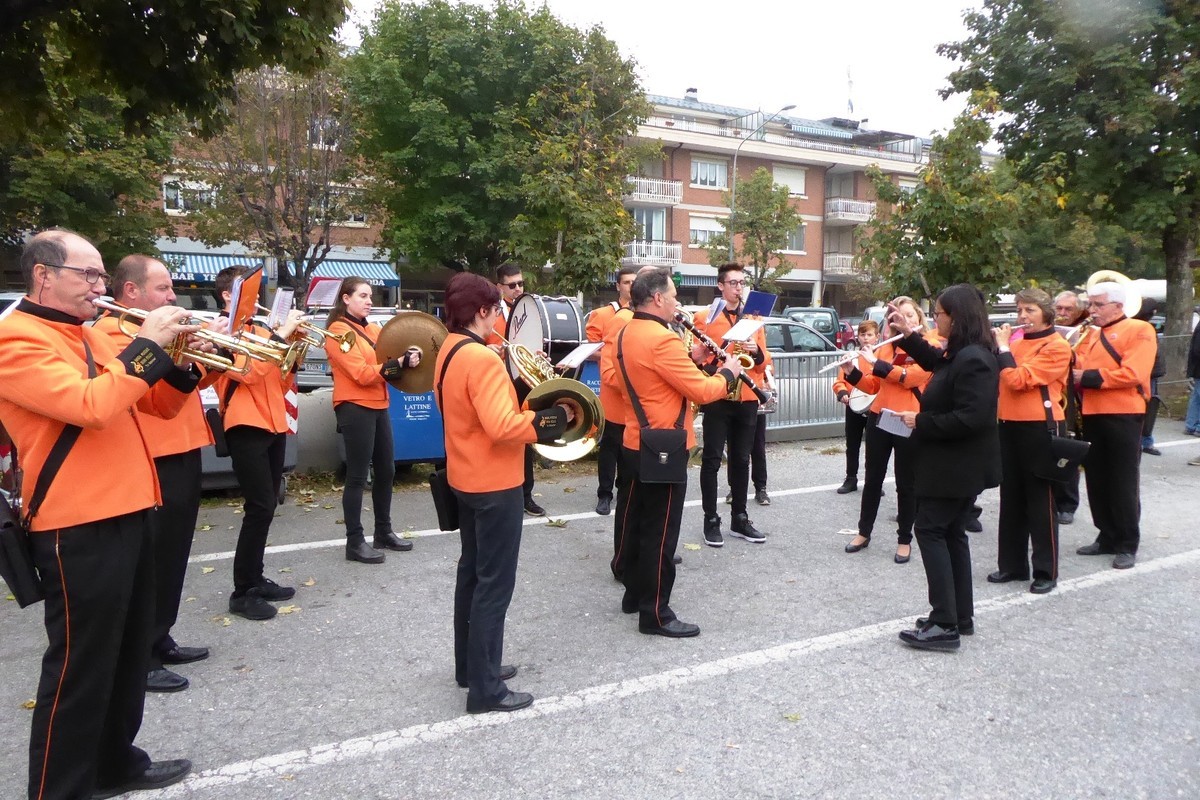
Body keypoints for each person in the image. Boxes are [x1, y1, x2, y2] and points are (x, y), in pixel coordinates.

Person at [0, 229, 196, 798]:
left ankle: (114, 762)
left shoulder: (88, 334)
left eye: (101, 276)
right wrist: (149, 346)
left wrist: (190, 360)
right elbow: (92, 405)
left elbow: (153, 403)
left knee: (128, 652)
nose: (99, 286)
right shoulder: (16, 339)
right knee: (79, 668)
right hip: (75, 520)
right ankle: (57, 787)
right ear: (44, 275)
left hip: (132, 505)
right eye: (87, 275)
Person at [435, 271, 571, 714]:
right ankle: (486, 690)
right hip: (495, 483)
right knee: (494, 586)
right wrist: (554, 420)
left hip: (463, 477)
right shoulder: (482, 359)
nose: (501, 318)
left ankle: (469, 668)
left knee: (471, 575)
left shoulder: (450, 349)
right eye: (497, 310)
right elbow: (503, 428)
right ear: (481, 311)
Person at [95, 255, 218, 694]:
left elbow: (184, 390)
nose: (172, 297)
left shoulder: (157, 333)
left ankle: (160, 636)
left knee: (173, 555)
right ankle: (141, 658)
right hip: (154, 451)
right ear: (132, 292)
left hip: (183, 443)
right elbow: (130, 390)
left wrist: (199, 357)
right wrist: (162, 349)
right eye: (163, 289)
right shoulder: (112, 332)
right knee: (151, 559)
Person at [613, 268, 742, 637]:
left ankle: (634, 595)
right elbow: (701, 392)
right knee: (661, 533)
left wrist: (696, 358)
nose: (676, 303)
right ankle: (655, 613)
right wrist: (728, 373)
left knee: (637, 524)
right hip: (664, 447)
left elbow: (660, 381)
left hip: (636, 441)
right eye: (672, 296)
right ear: (656, 298)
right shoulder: (662, 339)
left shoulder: (627, 331)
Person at [892, 284, 1000, 651]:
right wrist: (908, 336)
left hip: (957, 466)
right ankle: (959, 616)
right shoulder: (962, 354)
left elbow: (972, 418)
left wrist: (919, 421)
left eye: (938, 313)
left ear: (956, 317)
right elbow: (936, 361)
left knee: (930, 530)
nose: (934, 318)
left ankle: (943, 623)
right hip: (954, 464)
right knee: (953, 534)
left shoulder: (975, 359)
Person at [212, 265, 306, 620]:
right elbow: (247, 373)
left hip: (271, 422)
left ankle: (255, 577)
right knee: (259, 506)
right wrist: (279, 337)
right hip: (244, 424)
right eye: (251, 294)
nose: (258, 301)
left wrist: (292, 351)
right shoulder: (223, 331)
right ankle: (242, 590)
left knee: (267, 507)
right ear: (228, 296)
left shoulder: (257, 330)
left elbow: (275, 382)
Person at [324, 277, 420, 564]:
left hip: (379, 404)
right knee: (356, 476)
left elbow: (389, 362)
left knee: (387, 470)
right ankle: (354, 541)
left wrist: (410, 357)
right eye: (363, 296)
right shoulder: (337, 332)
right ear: (345, 299)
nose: (369, 301)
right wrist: (399, 363)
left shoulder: (375, 329)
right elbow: (363, 374)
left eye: (370, 296)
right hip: (354, 406)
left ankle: (383, 532)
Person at [991, 288, 1072, 594]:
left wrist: (1002, 349)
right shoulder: (1018, 342)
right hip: (1009, 424)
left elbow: (1017, 379)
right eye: (1020, 310)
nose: (1022, 316)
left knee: (1040, 500)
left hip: (1040, 426)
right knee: (1010, 497)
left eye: (1030, 310)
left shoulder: (1057, 346)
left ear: (1046, 313)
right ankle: (1011, 565)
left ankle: (1045, 570)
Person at [842, 297, 934, 564]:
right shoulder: (886, 347)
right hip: (880, 417)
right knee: (872, 480)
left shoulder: (929, 347)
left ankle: (904, 538)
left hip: (909, 419)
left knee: (906, 484)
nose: (904, 320)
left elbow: (911, 379)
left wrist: (879, 364)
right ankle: (863, 532)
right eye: (898, 317)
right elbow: (873, 386)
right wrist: (851, 372)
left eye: (909, 315)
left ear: (918, 318)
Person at [1072, 282, 1156, 570]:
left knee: (1122, 479)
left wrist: (1087, 377)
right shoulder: (1092, 334)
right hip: (1092, 411)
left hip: (1124, 412)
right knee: (1096, 477)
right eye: (1091, 304)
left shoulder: (1140, 329)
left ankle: (1127, 542)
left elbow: (1134, 373)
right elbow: (1078, 363)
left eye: (1098, 305)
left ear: (1118, 306)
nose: (1092, 310)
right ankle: (1106, 534)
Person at [694, 263, 769, 547]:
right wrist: (721, 366)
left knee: (741, 459)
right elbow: (698, 359)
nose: (739, 288)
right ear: (721, 286)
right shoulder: (704, 317)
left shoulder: (755, 319)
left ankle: (740, 517)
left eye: (742, 283)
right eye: (734, 283)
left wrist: (756, 350)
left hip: (747, 397)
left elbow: (764, 361)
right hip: (718, 395)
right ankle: (710, 519)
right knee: (712, 460)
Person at [486, 263, 545, 516]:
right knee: (500, 439)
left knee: (525, 438)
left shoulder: (528, 310)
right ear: (499, 287)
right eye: (512, 285)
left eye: (521, 283)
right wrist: (491, 351)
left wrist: (537, 354)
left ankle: (526, 494)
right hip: (497, 381)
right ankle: (499, 491)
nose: (518, 288)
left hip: (522, 382)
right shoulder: (490, 312)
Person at [588, 265, 637, 515]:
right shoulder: (603, 314)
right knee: (609, 448)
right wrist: (612, 353)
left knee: (630, 450)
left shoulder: (641, 315)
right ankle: (604, 494)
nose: (630, 286)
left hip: (634, 398)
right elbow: (591, 349)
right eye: (626, 282)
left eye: (634, 282)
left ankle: (624, 490)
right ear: (618, 286)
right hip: (612, 392)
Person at [1052, 290, 1089, 525]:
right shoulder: (1049, 330)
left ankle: (1067, 503)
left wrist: (1072, 353)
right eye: (1060, 309)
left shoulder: (1086, 333)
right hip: (1049, 396)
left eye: (1069, 310)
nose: (1063, 314)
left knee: (1068, 448)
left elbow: (1086, 364)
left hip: (1071, 400)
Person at [832, 320, 879, 494]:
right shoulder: (851, 356)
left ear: (877, 337)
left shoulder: (881, 357)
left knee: (874, 446)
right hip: (854, 406)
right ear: (857, 337)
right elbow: (839, 381)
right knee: (852, 444)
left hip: (875, 407)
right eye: (862, 335)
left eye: (870, 335)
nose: (866, 338)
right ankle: (850, 478)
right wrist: (842, 392)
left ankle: (872, 481)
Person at [1185, 315, 1200, 438]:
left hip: (1197, 368)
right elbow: (1197, 349)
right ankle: (1197, 427)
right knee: (1197, 397)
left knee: (1196, 397)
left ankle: (1191, 425)